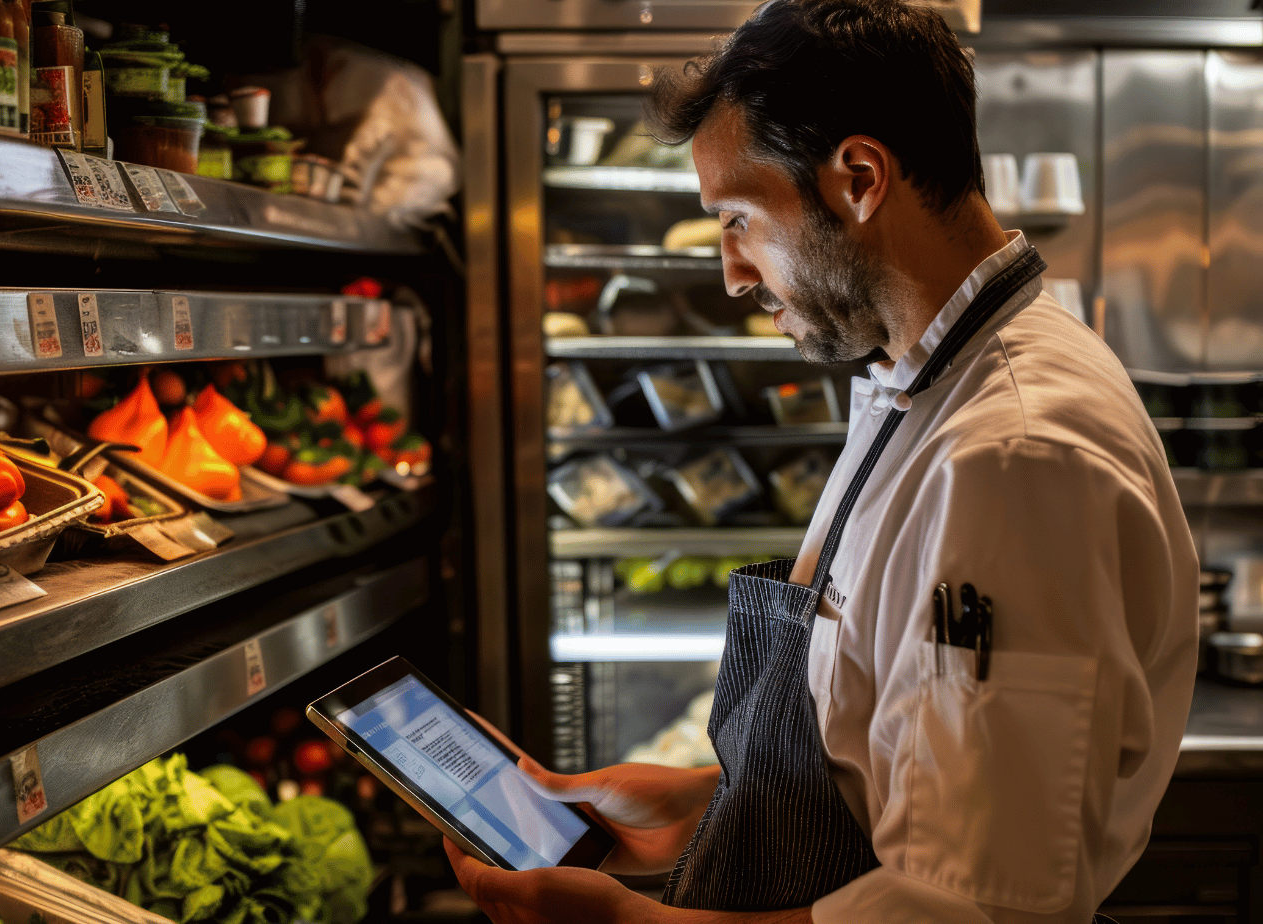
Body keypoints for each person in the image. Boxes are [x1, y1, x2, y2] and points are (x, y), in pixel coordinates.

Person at [446, 1, 1199, 922]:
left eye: (739, 218)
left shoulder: (1015, 452)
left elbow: (971, 910)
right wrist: (698, 806)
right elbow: (883, 759)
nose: (732, 273)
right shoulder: (911, 382)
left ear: (858, 178)